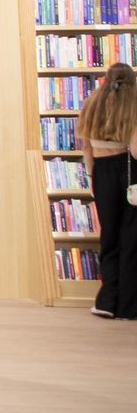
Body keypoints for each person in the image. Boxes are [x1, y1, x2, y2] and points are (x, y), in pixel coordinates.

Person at [76, 62, 137, 319]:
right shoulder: (132, 104)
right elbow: (136, 150)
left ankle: (106, 301)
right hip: (129, 171)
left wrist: (92, 176)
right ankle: (128, 305)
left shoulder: (91, 103)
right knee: (131, 239)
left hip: (101, 171)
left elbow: (86, 148)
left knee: (109, 237)